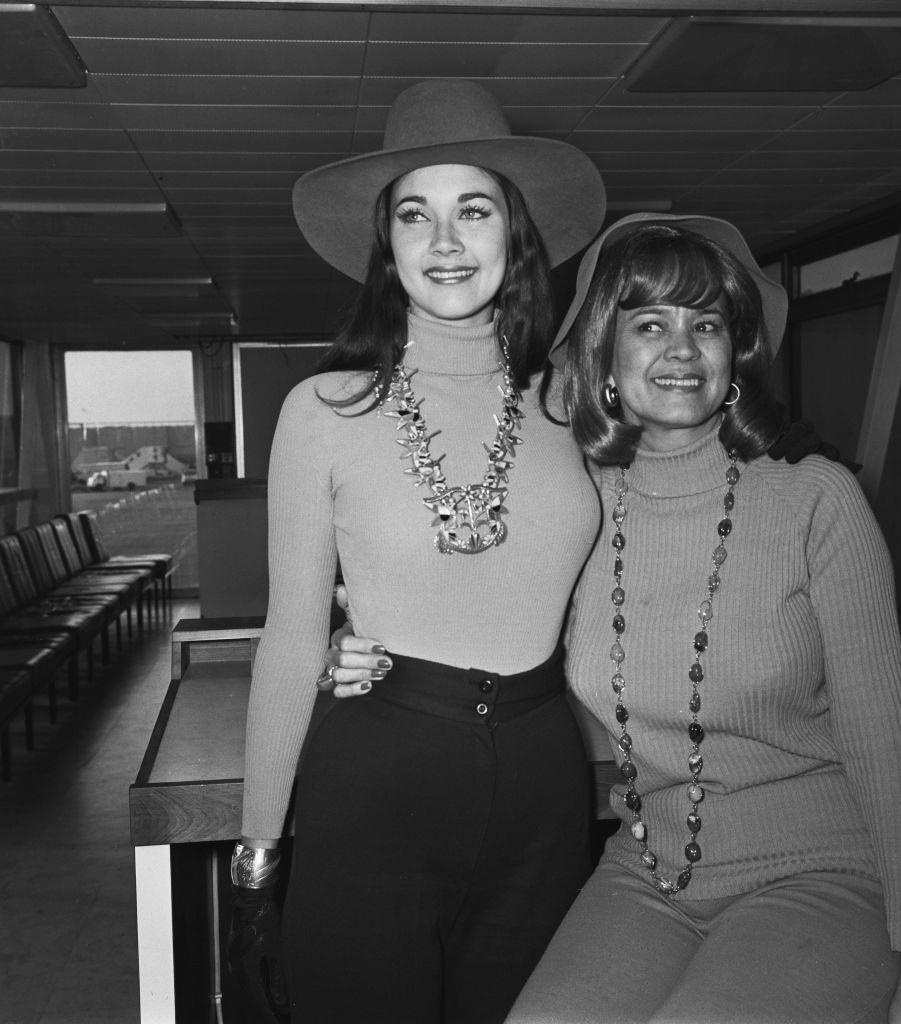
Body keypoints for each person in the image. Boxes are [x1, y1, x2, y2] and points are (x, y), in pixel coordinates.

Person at [328, 215, 901, 1024]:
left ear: (734, 354)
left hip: (819, 871)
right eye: (649, 323)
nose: (681, 348)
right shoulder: (574, 500)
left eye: (706, 325)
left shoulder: (812, 497)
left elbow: (883, 743)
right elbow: (465, 614)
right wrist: (356, 645)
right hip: (648, 871)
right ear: (603, 349)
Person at [232, 78, 607, 1024]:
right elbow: (288, 637)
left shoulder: (578, 406)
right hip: (377, 783)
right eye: (415, 215)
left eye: (472, 210)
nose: (444, 241)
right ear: (387, 247)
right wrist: (257, 851)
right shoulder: (320, 412)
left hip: (543, 790)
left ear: (513, 237)